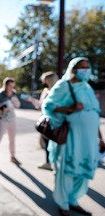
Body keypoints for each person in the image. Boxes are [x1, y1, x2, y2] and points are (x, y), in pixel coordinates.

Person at [42, 57, 103, 216]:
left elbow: (94, 114)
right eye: (82, 67)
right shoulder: (64, 85)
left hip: (89, 140)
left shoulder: (87, 88)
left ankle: (73, 200)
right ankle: (63, 203)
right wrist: (70, 108)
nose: (86, 70)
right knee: (67, 171)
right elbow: (48, 106)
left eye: (88, 67)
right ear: (74, 69)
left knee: (84, 170)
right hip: (71, 138)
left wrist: (100, 138)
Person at [0, 77, 21, 168]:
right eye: (10, 86)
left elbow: (18, 105)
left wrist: (14, 100)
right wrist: (1, 110)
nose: (11, 88)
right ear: (5, 85)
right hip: (2, 120)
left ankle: (13, 157)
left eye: (13, 86)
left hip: (12, 120)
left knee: (12, 140)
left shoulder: (14, 94)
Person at [38, 71, 59, 171]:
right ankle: (49, 162)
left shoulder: (58, 91)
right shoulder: (45, 91)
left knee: (54, 143)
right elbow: (40, 105)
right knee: (46, 143)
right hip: (45, 120)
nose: (45, 82)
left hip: (54, 121)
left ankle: (52, 163)